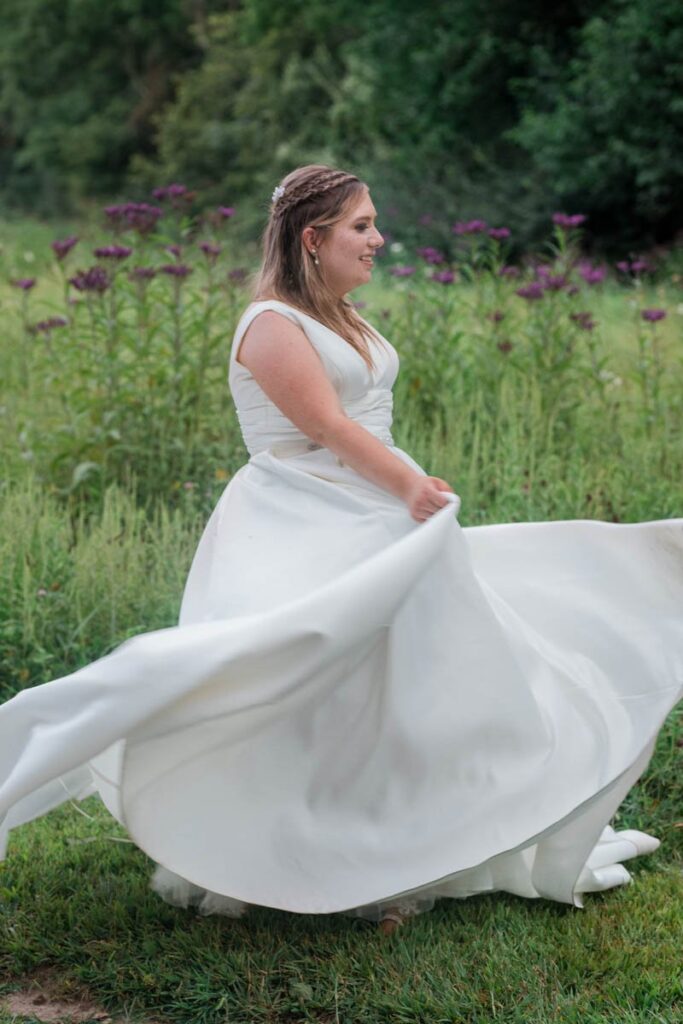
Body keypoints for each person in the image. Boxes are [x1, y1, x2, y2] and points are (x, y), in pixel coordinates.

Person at [1, 165, 681, 937]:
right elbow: (324, 426)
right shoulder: (268, 325)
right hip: (303, 516)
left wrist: (402, 492)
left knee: (418, 678)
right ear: (312, 239)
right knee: (307, 670)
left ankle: (411, 839)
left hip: (372, 508)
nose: (378, 239)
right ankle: (304, 847)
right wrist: (409, 485)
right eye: (361, 226)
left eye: (374, 223)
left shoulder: (341, 313)